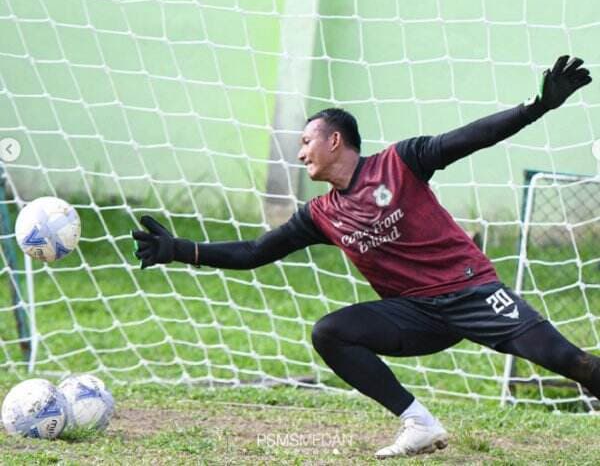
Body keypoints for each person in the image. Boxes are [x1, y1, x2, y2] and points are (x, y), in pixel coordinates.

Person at [132, 55, 599, 458]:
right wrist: (181, 250)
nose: (299, 155)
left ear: (334, 140)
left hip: (471, 291)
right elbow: (256, 252)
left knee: (575, 363)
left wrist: (537, 107)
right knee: (331, 333)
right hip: (415, 315)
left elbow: (473, 137)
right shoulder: (320, 214)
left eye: (306, 142)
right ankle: (419, 424)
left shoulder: (401, 162)